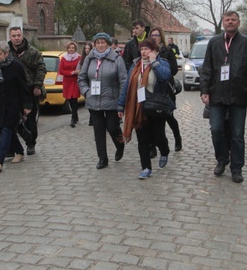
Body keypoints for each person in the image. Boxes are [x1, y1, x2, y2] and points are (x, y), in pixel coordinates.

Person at [199, 10, 247, 183]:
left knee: (237, 134)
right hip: (217, 95)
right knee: (216, 130)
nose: (230, 22)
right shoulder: (214, 42)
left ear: (238, 22)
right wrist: (204, 90)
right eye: (227, 19)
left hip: (238, 95)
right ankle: (222, 159)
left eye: (233, 20)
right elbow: (207, 68)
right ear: (223, 22)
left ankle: (237, 168)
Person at [118, 38, 172, 179]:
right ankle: (146, 168)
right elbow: (127, 86)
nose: (143, 52)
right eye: (142, 49)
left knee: (158, 136)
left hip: (156, 106)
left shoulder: (162, 63)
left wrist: (154, 62)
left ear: (154, 51)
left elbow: (165, 77)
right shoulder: (135, 65)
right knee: (142, 139)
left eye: (147, 49)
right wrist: (121, 105)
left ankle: (164, 150)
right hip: (138, 107)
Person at [78, 33, 127, 169]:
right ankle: (102, 158)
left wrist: (121, 102)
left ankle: (120, 144)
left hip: (112, 99)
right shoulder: (89, 58)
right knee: (98, 130)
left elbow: (123, 81)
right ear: (94, 44)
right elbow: (81, 78)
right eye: (97, 42)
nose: (100, 45)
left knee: (112, 127)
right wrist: (86, 91)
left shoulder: (117, 59)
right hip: (93, 100)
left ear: (108, 44)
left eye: (103, 42)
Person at [0, 41, 33, 172]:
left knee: (6, 129)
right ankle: (19, 151)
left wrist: (27, 105)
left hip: (13, 105)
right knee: (8, 130)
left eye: (0, 54)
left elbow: (23, 87)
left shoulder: (16, 67)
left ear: (6, 53)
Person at [7, 27, 47, 155]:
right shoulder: (6, 52)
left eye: (18, 35)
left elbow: (41, 69)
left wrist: (37, 86)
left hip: (29, 89)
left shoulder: (32, 52)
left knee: (30, 119)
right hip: (13, 90)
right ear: (10, 37)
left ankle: (31, 143)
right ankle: (12, 146)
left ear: (22, 35)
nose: (16, 38)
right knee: (12, 119)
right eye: (14, 36)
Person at [150, 27, 182, 152]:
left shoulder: (167, 51)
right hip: (151, 88)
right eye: (152, 35)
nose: (154, 37)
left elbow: (173, 70)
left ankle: (177, 137)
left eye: (157, 35)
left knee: (168, 116)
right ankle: (154, 145)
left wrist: (162, 66)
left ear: (161, 36)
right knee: (152, 118)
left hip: (166, 89)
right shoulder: (147, 50)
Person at [59, 41, 82, 127]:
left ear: (75, 49)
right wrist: (71, 73)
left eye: (72, 48)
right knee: (69, 99)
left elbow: (82, 67)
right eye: (69, 48)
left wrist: (78, 72)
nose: (71, 49)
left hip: (76, 81)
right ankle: (75, 116)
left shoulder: (79, 57)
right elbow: (61, 70)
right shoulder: (64, 58)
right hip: (68, 81)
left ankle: (73, 117)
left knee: (74, 99)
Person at [79, 42, 94, 126]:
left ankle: (92, 118)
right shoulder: (83, 59)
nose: (87, 50)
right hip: (86, 82)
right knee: (87, 100)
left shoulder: (92, 58)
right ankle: (91, 116)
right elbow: (80, 70)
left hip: (92, 81)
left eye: (88, 48)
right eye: (86, 49)